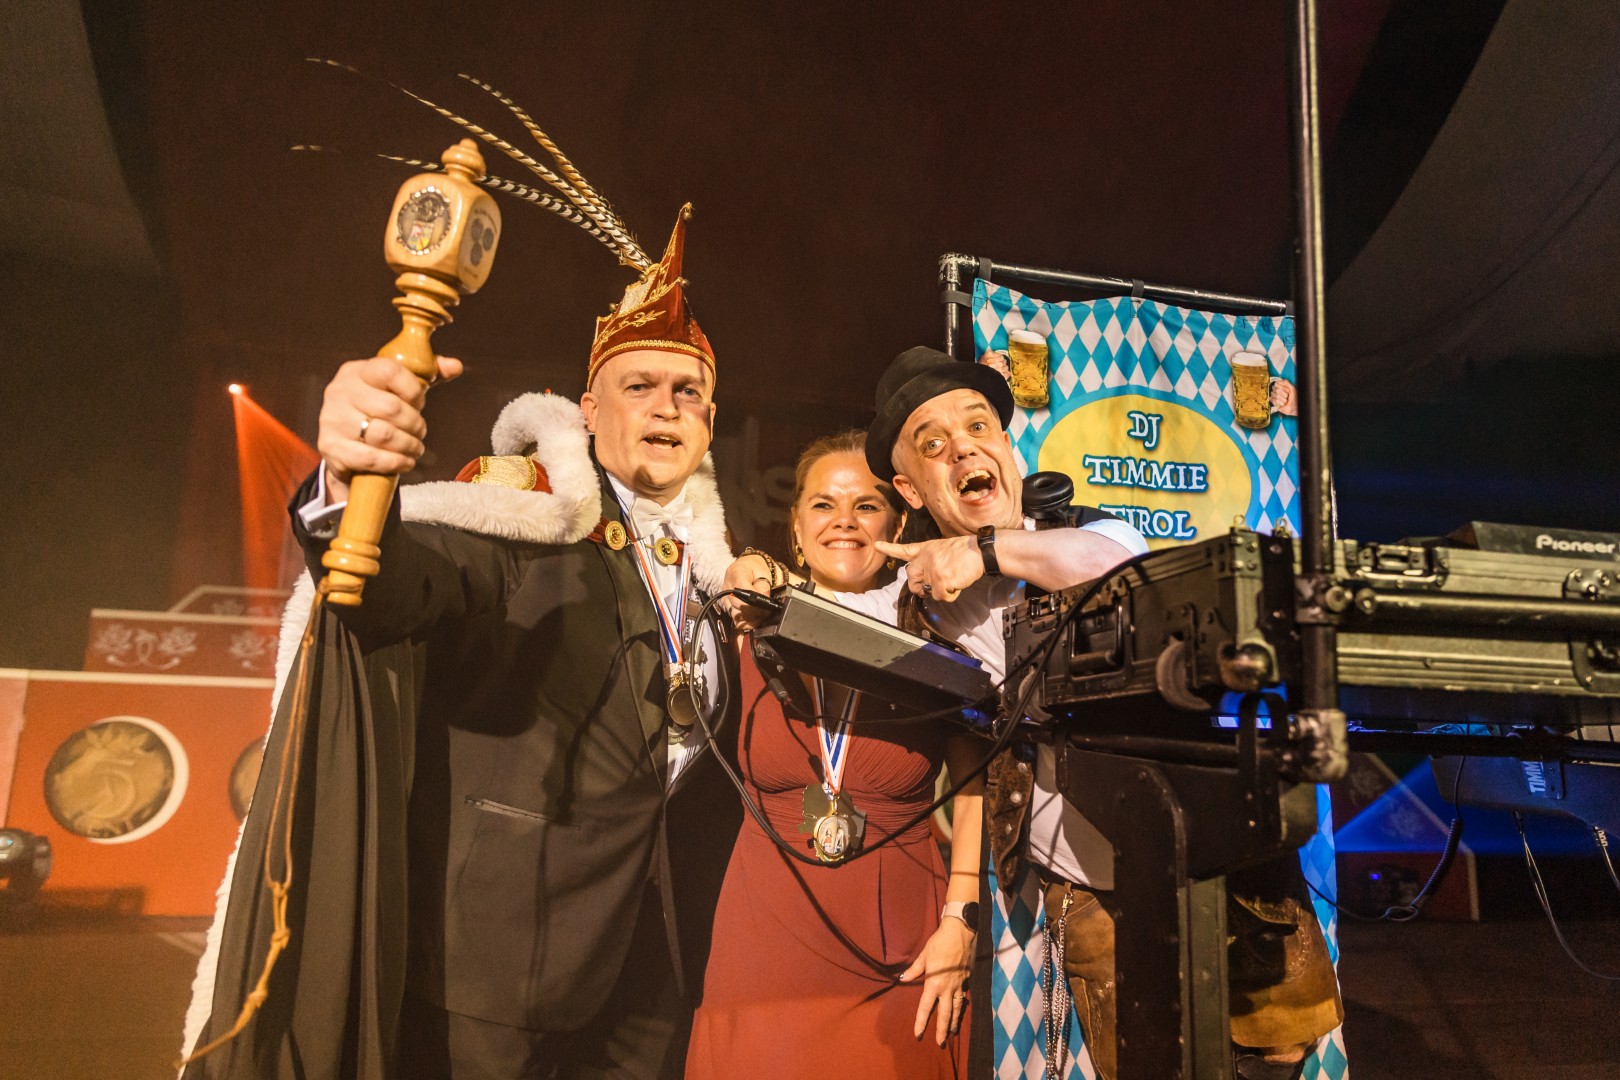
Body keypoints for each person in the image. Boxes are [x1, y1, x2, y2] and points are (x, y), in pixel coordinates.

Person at [182, 208, 742, 1080]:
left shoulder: (724, 571)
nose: (668, 406)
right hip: (494, 961)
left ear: (709, 421)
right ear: (588, 410)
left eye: (689, 392)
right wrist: (351, 479)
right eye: (640, 386)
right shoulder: (527, 517)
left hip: (652, 971)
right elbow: (389, 588)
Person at [726, 346, 1342, 1080]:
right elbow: (831, 599)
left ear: (1006, 444)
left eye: (976, 425)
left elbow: (1120, 571)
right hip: (1090, 893)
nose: (962, 448)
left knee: (1278, 1050)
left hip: (1212, 860)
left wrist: (988, 551)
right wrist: (757, 568)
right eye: (932, 444)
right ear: (910, 489)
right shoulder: (917, 602)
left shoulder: (1083, 530)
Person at [685, 432, 981, 1079]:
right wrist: (749, 567)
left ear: (897, 527)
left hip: (903, 938)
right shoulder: (742, 627)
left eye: (866, 506)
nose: (844, 520)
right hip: (765, 937)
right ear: (796, 528)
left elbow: (974, 785)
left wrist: (961, 920)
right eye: (823, 504)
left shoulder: (937, 635)